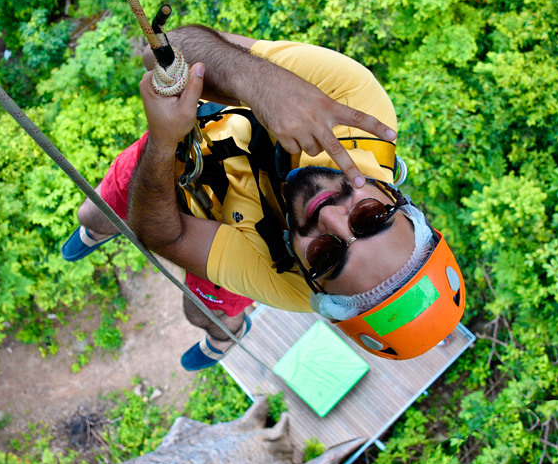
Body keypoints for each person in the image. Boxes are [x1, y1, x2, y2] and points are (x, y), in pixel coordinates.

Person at [65, 25, 465, 368]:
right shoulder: (354, 105)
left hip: (175, 160)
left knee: (201, 312)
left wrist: (164, 140)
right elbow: (165, 51)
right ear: (397, 197)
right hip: (192, 141)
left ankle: (226, 335)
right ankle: (101, 231)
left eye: (327, 254)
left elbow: (162, 236)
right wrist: (264, 85)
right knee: (93, 215)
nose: (330, 217)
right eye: (371, 217)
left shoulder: (284, 278)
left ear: (313, 283)